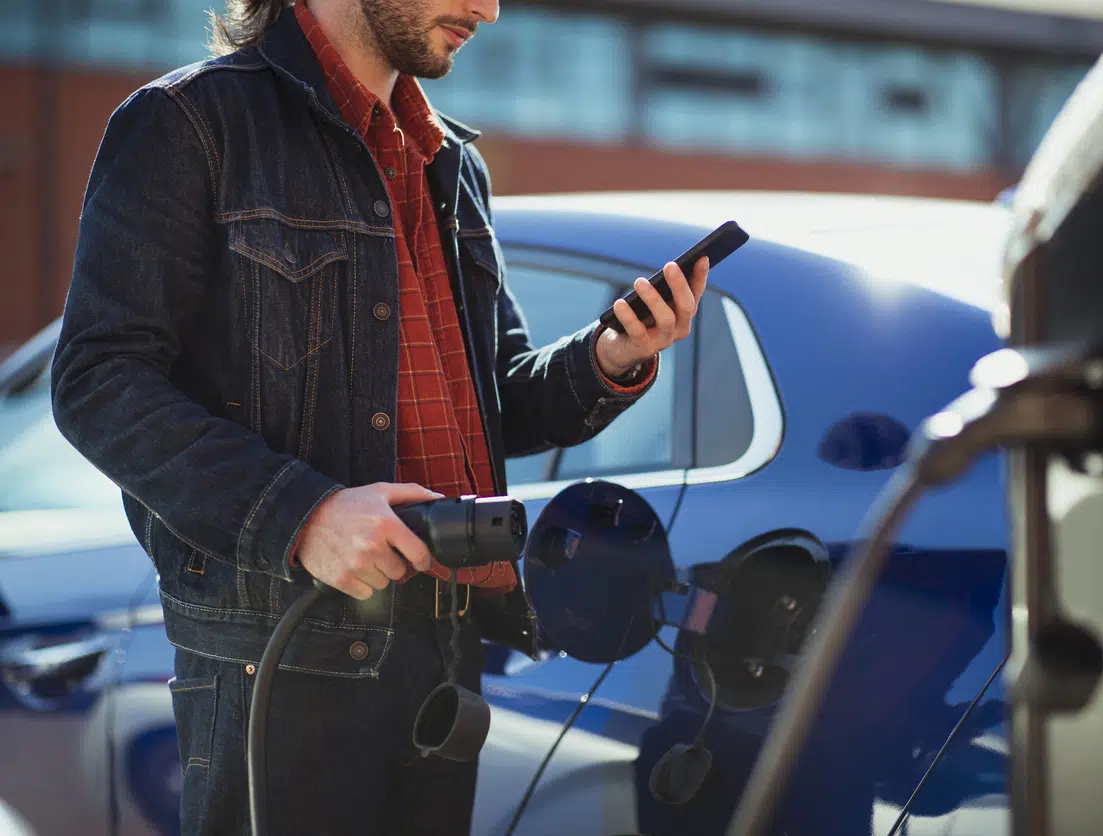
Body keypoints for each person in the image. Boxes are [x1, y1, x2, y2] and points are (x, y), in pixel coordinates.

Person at [49, 0, 707, 831]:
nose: (491, 10)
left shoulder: (452, 163)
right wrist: (302, 514)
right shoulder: (190, 125)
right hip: (284, 659)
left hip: (444, 661)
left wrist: (611, 357)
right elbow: (98, 381)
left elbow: (491, 401)